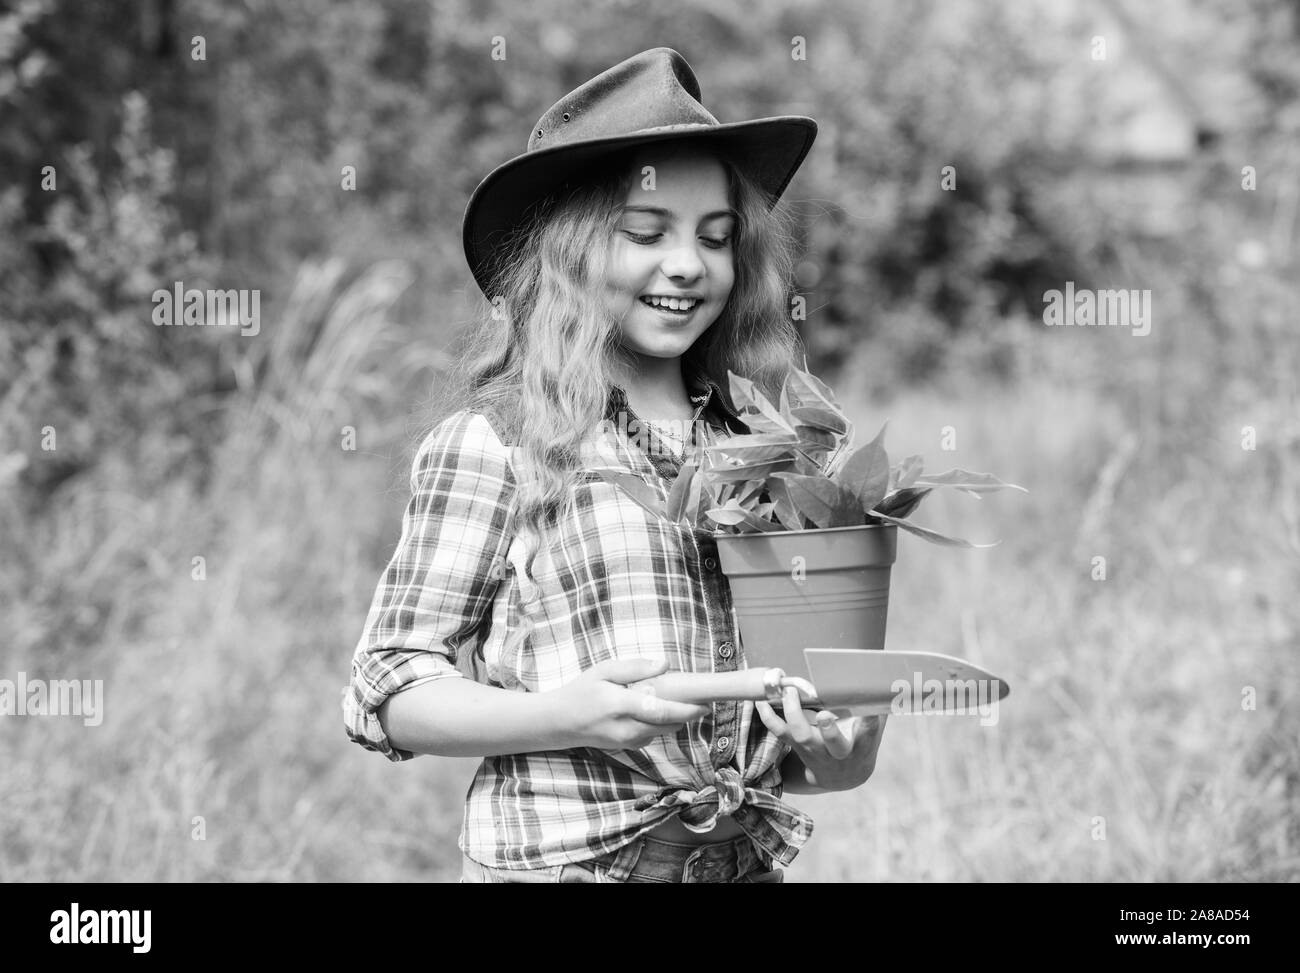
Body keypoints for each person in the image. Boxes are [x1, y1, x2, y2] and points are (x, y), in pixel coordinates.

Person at [342, 47, 887, 883]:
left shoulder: (762, 447)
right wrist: (565, 714)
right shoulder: (500, 441)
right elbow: (390, 688)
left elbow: (812, 762)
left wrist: (841, 744)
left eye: (716, 237)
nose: (687, 264)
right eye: (645, 232)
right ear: (570, 250)